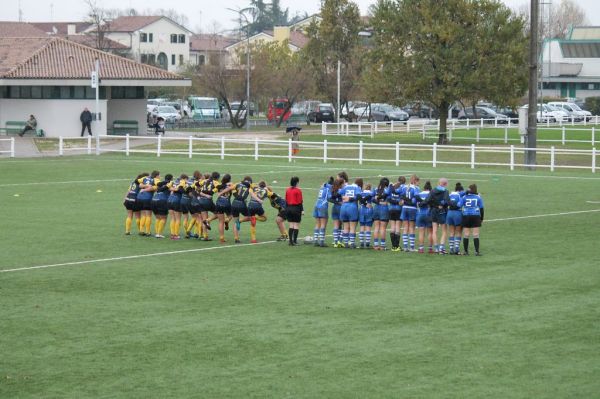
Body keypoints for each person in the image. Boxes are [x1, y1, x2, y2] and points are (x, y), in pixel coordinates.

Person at [459, 184, 484, 256]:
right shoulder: (478, 197)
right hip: (475, 216)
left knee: (466, 234)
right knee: (475, 234)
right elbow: (481, 208)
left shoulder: (464, 197)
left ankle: (466, 252)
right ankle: (477, 252)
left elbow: (459, 205)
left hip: (466, 215)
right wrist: (481, 218)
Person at [427, 177, 450, 254]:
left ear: (438, 183)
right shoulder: (446, 191)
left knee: (434, 230)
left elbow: (428, 200)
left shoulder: (433, 190)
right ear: (445, 184)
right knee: (444, 230)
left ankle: (436, 248)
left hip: (433, 211)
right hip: (442, 212)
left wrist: (433, 206)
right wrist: (442, 205)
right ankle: (441, 248)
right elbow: (447, 201)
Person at [339, 178, 362, 248]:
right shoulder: (357, 188)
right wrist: (351, 198)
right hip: (352, 208)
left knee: (345, 227)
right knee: (352, 227)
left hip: (343, 208)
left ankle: (346, 243)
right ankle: (352, 243)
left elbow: (338, 193)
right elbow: (359, 196)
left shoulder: (346, 187)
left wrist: (343, 198)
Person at [136, 170, 160, 236]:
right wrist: (149, 187)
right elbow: (155, 187)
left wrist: (144, 187)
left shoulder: (145, 178)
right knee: (148, 215)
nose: (160, 176)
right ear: (156, 175)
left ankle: (141, 230)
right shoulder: (155, 180)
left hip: (139, 197)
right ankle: (148, 231)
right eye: (159, 175)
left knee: (143, 214)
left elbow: (139, 184)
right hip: (147, 198)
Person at [400, 175, 419, 252]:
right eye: (418, 182)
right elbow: (415, 200)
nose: (418, 183)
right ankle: (411, 247)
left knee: (405, 227)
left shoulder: (404, 187)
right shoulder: (416, 188)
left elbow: (401, 198)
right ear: (415, 181)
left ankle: (405, 247)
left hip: (404, 208)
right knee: (411, 228)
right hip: (412, 209)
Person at [313, 177, 333, 247]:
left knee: (317, 223)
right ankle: (321, 241)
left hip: (316, 205)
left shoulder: (323, 187)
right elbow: (329, 198)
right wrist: (337, 202)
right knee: (323, 224)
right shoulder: (329, 188)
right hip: (323, 206)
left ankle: (315, 240)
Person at [447, 182, 466, 255]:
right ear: (461, 190)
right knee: (458, 231)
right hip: (457, 213)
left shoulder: (450, 194)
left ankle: (451, 249)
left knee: (451, 232)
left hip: (449, 213)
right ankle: (457, 249)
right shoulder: (460, 195)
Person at [415, 181, 434, 253]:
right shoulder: (431, 194)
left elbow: (416, 204)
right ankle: (430, 248)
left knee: (421, 232)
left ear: (424, 188)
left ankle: (421, 248)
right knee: (430, 232)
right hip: (429, 214)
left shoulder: (419, 194)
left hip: (420, 214)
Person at [152, 174, 173, 238]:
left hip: (154, 200)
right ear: (171, 179)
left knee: (158, 217)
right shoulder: (170, 183)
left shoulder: (160, 183)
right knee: (164, 218)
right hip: (162, 201)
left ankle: (157, 233)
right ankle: (159, 234)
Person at [387, 177, 405, 252]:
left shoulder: (391, 188)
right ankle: (396, 246)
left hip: (391, 209)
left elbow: (388, 198)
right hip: (398, 209)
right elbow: (403, 199)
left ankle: (393, 246)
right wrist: (398, 202)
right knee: (397, 227)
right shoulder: (402, 188)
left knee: (392, 227)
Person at [372, 177, 390, 251]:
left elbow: (372, 199)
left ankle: (376, 245)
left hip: (376, 208)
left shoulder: (376, 189)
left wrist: (378, 202)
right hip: (384, 209)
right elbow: (389, 199)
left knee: (376, 227)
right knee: (383, 228)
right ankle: (382, 246)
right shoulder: (387, 190)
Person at [285, 176, 303, 246]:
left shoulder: (287, 190)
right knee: (296, 225)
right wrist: (302, 210)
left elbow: (286, 200)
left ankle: (290, 241)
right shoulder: (298, 190)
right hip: (296, 208)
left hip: (288, 208)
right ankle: (295, 241)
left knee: (291, 225)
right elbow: (300, 201)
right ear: (297, 182)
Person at [357, 183, 374, 248]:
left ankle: (361, 243)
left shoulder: (361, 193)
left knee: (362, 227)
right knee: (368, 227)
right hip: (369, 210)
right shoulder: (371, 193)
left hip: (361, 210)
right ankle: (367, 243)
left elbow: (360, 202)